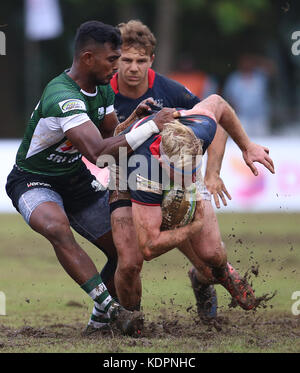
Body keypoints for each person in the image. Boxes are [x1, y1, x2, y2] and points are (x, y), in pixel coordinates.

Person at [5, 20, 177, 336]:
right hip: (32, 180)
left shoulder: (101, 90)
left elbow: (112, 137)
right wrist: (152, 126)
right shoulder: (63, 96)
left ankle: (100, 318)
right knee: (57, 227)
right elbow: (99, 153)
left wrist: (136, 120)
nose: (118, 67)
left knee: (127, 252)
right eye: (112, 59)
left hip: (75, 180)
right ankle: (111, 308)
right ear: (88, 58)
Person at [109, 94, 275, 317]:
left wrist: (245, 147)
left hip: (173, 152)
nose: (188, 179)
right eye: (182, 173)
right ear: (164, 161)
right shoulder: (146, 171)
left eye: (192, 170)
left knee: (212, 253)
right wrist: (192, 227)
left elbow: (219, 103)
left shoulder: (200, 127)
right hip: (126, 166)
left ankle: (217, 273)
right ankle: (131, 319)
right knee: (131, 260)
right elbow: (149, 246)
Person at [109, 20, 231, 318]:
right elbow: (99, 147)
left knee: (210, 263)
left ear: (151, 59)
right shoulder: (103, 92)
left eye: (141, 60)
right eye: (126, 60)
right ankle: (132, 321)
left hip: (174, 181)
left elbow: (215, 123)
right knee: (129, 263)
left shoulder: (170, 89)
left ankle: (201, 282)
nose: (134, 67)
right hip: (125, 183)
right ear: (116, 60)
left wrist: (212, 172)